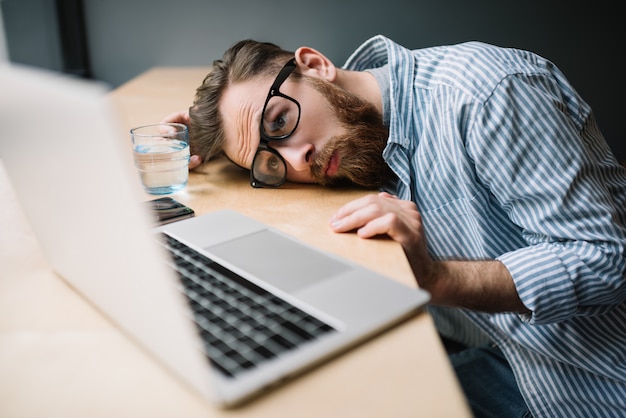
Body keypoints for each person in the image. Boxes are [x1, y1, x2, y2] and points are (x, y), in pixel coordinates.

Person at [162, 35, 626, 417]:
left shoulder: (485, 94)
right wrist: (204, 144)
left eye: (280, 122)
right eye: (270, 162)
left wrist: (437, 279)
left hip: (590, 385)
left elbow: (606, 259)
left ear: (316, 64)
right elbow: (258, 136)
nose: (296, 159)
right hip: (505, 354)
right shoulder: (350, 135)